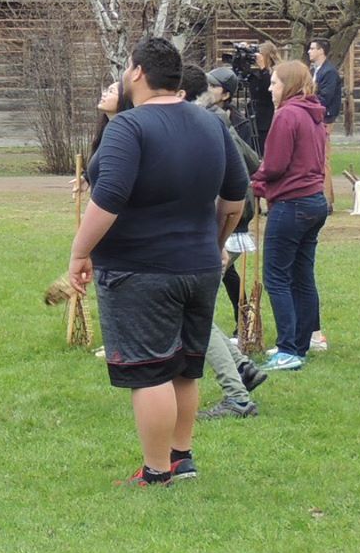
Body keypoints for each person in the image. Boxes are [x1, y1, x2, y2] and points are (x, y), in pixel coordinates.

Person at [70, 36, 248, 486]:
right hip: (199, 265)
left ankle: (155, 471)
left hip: (139, 269)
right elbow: (234, 199)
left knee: (149, 371)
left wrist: (79, 251)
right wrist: (214, 240)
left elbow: (107, 199)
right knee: (186, 366)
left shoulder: (128, 128)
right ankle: (181, 458)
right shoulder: (211, 125)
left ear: (137, 73)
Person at [187, 66, 268, 419]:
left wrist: (218, 235)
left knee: (191, 313)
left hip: (215, 230)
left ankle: (236, 395)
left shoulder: (207, 122)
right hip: (215, 230)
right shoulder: (212, 120)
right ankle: (242, 369)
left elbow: (249, 168)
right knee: (191, 310)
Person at [254, 59, 330, 372]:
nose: (270, 88)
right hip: (314, 201)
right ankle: (302, 341)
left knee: (276, 277)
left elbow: (275, 164)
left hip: (291, 204)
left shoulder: (287, 115)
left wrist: (256, 180)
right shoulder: (314, 115)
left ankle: (288, 349)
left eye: (274, 83)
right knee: (301, 275)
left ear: (289, 85)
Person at [304, 37, 340, 351]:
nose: (310, 51)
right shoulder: (317, 70)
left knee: (324, 162)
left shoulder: (328, 72)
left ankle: (328, 197)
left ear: (323, 50)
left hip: (323, 120)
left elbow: (328, 97)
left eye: (313, 47)